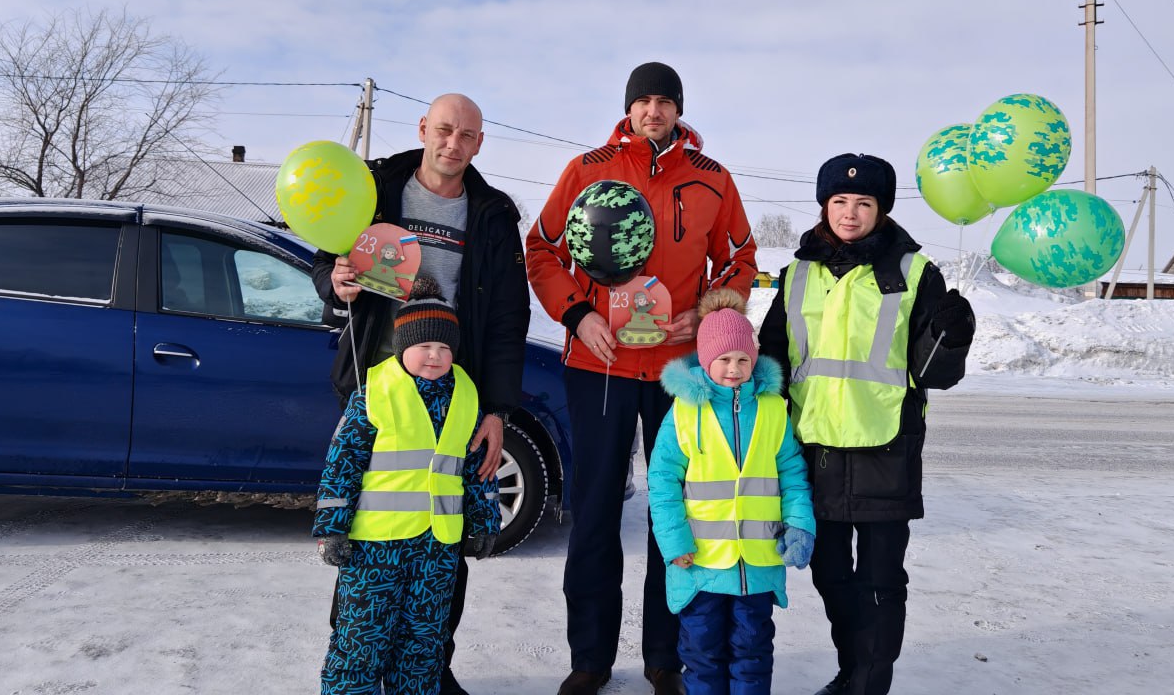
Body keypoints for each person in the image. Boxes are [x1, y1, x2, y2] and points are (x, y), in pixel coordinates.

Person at [526, 62, 759, 695]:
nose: (653, 111)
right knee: (596, 510)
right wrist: (576, 314)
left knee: (673, 512)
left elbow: (741, 261)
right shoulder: (588, 168)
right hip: (597, 364)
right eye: (644, 100)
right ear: (628, 108)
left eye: (665, 101)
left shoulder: (713, 180)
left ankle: (666, 658)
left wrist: (706, 312)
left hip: (677, 372)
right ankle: (591, 659)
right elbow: (543, 249)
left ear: (679, 110)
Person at [311, 92, 530, 695]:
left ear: (479, 143)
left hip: (455, 391)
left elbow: (510, 317)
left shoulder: (492, 213)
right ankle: (358, 657)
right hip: (375, 379)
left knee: (443, 529)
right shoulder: (377, 186)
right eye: (443, 130)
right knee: (367, 529)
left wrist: (497, 409)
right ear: (423, 129)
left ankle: (429, 665)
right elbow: (330, 260)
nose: (452, 144)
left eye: (465, 135)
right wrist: (335, 284)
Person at [757, 153, 975, 695]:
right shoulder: (797, 274)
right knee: (830, 576)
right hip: (813, 449)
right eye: (839, 202)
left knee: (879, 583)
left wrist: (951, 337)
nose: (850, 213)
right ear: (824, 205)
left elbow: (934, 374)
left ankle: (868, 685)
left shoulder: (915, 272)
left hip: (887, 445)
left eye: (863, 203)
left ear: (881, 210)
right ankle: (853, 669)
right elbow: (772, 358)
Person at [314, 277, 500, 695]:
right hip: (375, 549)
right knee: (362, 639)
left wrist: (485, 520)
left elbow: (474, 468)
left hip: (437, 549)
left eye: (445, 348)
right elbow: (342, 463)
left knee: (423, 645)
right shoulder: (374, 393)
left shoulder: (467, 396)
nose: (435, 357)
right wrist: (332, 527)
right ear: (402, 345)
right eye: (424, 347)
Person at [648, 288, 816, 695]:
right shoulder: (686, 412)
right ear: (706, 361)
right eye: (723, 359)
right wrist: (674, 542)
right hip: (701, 566)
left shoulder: (774, 409)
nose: (734, 368)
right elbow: (662, 480)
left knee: (753, 652)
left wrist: (799, 523)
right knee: (703, 655)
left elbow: (792, 472)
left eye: (743, 359)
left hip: (757, 565)